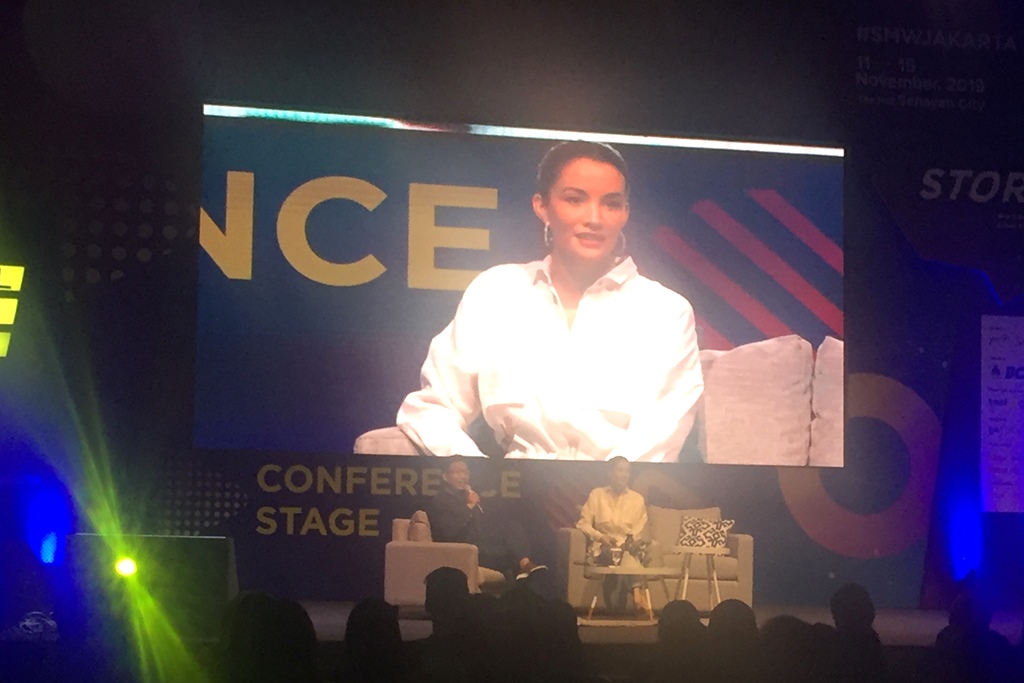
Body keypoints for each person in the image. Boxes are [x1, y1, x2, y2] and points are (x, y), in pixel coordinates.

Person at [397, 140, 703, 461]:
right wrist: (480, 477)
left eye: (611, 204)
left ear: (625, 213)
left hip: (620, 489)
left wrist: (601, 489)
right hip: (512, 487)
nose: (594, 218)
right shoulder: (497, 292)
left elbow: (659, 438)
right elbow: (431, 409)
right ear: (542, 206)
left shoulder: (666, 312)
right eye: (575, 200)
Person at [426, 456, 546, 580]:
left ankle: (525, 565)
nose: (462, 476)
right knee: (510, 554)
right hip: (464, 549)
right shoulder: (440, 500)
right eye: (457, 472)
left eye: (465, 472)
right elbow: (448, 531)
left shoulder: (466, 496)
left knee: (512, 527)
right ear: (445, 476)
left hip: (481, 544)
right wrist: (469, 506)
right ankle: (523, 571)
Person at [576, 456, 649, 612]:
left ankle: (633, 591)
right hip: (604, 547)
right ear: (610, 473)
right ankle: (636, 590)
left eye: (627, 471)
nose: (624, 475)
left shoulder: (637, 499)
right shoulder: (597, 495)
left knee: (629, 552)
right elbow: (583, 524)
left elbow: (639, 528)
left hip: (628, 547)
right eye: (620, 470)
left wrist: (627, 543)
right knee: (613, 553)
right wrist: (600, 537)